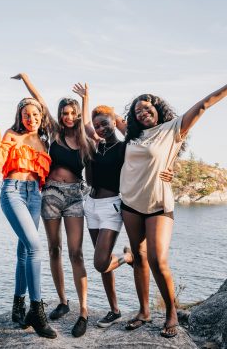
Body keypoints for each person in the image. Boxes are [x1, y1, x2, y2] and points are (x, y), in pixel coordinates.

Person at [120, 73, 227, 338]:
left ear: (157, 109)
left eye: (147, 107)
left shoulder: (173, 129)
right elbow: (106, 115)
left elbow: (204, 104)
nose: (143, 112)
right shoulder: (132, 134)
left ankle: (171, 313)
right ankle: (144, 311)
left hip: (158, 202)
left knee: (158, 259)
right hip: (130, 202)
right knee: (140, 257)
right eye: (137, 110)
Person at [73, 82, 173, 328]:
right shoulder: (97, 144)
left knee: (99, 262)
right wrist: (87, 99)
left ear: (113, 122)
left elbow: (153, 154)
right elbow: (88, 125)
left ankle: (129, 258)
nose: (100, 128)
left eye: (105, 123)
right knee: (101, 262)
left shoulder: (126, 145)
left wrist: (170, 170)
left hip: (113, 206)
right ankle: (114, 309)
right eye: (97, 125)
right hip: (91, 205)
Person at [12, 73, 94, 337]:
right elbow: (40, 101)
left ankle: (83, 312)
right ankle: (62, 302)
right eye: (64, 113)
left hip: (73, 196)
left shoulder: (83, 139)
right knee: (54, 249)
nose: (68, 117)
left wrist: (86, 99)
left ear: (78, 114)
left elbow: (90, 126)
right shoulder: (55, 133)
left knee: (76, 253)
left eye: (72, 113)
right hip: (49, 194)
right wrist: (25, 77)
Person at [0, 90, 57, 339]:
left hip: (35, 195)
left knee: (24, 251)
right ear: (20, 117)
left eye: (35, 114)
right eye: (26, 115)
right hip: (13, 192)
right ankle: (37, 311)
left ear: (41, 117)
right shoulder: (12, 135)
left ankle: (17, 307)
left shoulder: (44, 142)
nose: (31, 118)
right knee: (35, 248)